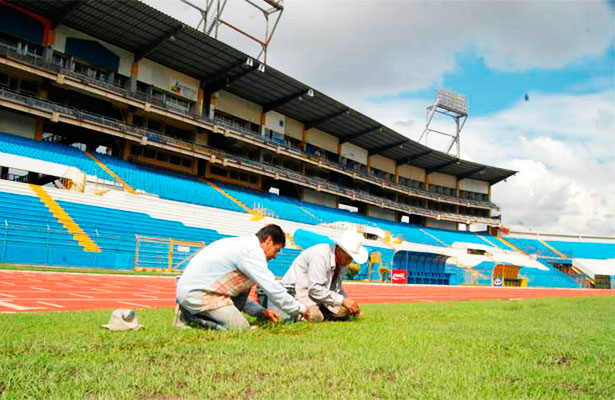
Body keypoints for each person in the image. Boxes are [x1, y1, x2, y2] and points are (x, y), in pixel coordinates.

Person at [175, 224, 308, 331]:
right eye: (276, 250)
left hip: (199, 292)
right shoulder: (252, 252)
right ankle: (191, 318)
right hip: (198, 295)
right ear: (268, 241)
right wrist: (301, 309)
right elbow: (273, 289)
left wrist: (260, 312)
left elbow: (238, 296)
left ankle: (190, 311)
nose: (275, 256)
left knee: (247, 284)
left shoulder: (242, 245)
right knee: (241, 329)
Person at [282, 231, 367, 322]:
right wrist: (343, 301)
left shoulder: (342, 263)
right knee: (315, 316)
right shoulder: (320, 255)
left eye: (351, 259)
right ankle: (301, 312)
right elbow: (315, 289)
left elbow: (336, 288)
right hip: (297, 293)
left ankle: (322, 311)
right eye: (349, 258)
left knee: (345, 311)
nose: (349, 262)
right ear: (339, 250)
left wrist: (349, 301)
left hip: (314, 295)